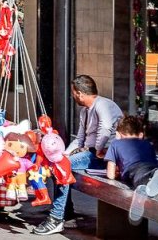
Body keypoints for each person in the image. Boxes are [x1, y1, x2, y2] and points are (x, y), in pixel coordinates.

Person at [34, 75, 125, 236]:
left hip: (104, 157)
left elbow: (105, 130)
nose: (73, 96)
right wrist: (64, 154)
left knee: (62, 167)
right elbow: (80, 138)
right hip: (89, 152)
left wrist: (96, 150)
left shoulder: (103, 105)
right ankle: (66, 215)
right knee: (58, 165)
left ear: (80, 93)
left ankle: (56, 218)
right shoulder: (85, 111)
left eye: (73, 93)